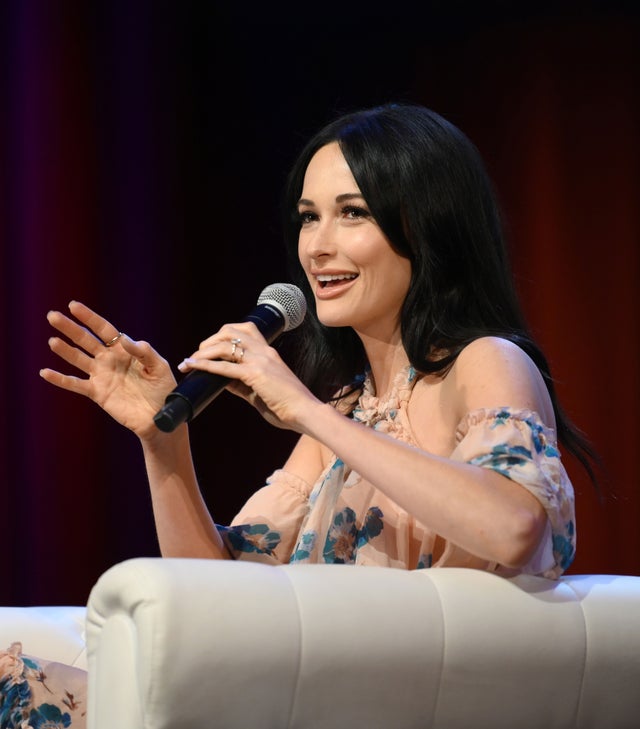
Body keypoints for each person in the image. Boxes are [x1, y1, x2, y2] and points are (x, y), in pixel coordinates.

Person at [1, 103, 596, 726]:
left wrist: (309, 412)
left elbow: (514, 525)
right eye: (309, 218)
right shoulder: (345, 409)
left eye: (352, 214)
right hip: (304, 698)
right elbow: (214, 599)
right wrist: (161, 437)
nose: (317, 246)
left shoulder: (484, 362)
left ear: (426, 228)